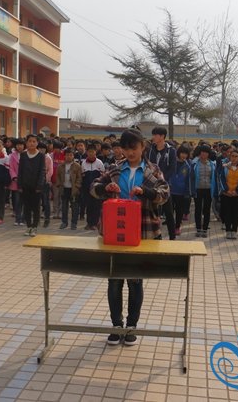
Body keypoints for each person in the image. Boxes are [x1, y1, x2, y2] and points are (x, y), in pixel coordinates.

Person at [90, 128, 169, 346]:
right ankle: (117, 326)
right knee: (114, 281)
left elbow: (164, 194)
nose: (130, 152)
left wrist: (147, 192)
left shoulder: (153, 170)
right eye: (125, 148)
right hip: (115, 234)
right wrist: (105, 187)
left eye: (134, 148)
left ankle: (131, 327)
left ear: (143, 146)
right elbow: (93, 188)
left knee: (135, 281)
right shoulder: (114, 169)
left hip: (142, 233)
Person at [148, 127, 177, 240]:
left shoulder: (171, 150)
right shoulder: (150, 149)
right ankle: (156, 236)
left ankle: (172, 237)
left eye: (155, 135)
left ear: (162, 136)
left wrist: (162, 179)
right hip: (151, 184)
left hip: (165, 185)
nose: (153, 137)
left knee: (169, 212)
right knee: (153, 212)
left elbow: (172, 167)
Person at [18, 135, 46, 236]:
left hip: (36, 186)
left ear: (37, 143)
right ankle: (28, 226)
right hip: (25, 185)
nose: (32, 143)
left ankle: (34, 227)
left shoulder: (41, 156)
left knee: (36, 207)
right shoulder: (23, 155)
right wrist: (20, 185)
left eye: (34, 141)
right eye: (30, 141)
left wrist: (39, 185)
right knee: (26, 207)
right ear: (26, 143)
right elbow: (20, 170)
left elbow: (42, 171)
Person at [191, 144, 216, 238]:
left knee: (207, 210)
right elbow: (191, 177)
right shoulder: (194, 163)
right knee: (198, 209)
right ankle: (198, 229)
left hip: (208, 189)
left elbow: (214, 178)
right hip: (198, 189)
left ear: (208, 154)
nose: (204, 154)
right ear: (199, 153)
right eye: (202, 152)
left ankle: (205, 229)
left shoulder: (212, 164)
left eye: (206, 152)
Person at [56, 148, 82, 230]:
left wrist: (77, 186)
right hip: (64, 189)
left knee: (74, 207)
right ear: (64, 156)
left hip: (73, 189)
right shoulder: (60, 166)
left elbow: (79, 178)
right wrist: (59, 184)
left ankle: (74, 223)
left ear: (73, 156)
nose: (69, 157)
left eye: (71, 155)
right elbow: (58, 176)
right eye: (67, 155)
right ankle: (64, 222)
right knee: (64, 207)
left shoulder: (77, 166)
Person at [169, 145, 192, 236]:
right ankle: (171, 227)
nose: (184, 155)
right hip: (170, 190)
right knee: (170, 211)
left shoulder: (187, 166)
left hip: (181, 192)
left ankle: (177, 227)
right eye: (182, 153)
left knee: (179, 211)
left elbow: (188, 180)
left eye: (186, 154)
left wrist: (187, 192)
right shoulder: (172, 162)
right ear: (178, 153)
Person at [81, 144, 104, 230]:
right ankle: (89, 223)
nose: (91, 153)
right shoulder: (83, 163)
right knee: (89, 206)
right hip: (87, 188)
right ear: (87, 152)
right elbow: (82, 176)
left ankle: (94, 223)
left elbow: (103, 176)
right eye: (89, 152)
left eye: (92, 151)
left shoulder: (99, 163)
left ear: (95, 152)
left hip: (97, 189)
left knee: (96, 206)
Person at [9, 138, 25, 226]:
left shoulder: (27, 154)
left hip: (25, 181)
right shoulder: (12, 155)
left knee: (25, 201)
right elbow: (11, 167)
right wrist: (14, 177)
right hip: (16, 181)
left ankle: (23, 218)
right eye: (18, 145)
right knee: (17, 201)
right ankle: (17, 218)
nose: (19, 147)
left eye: (21, 145)